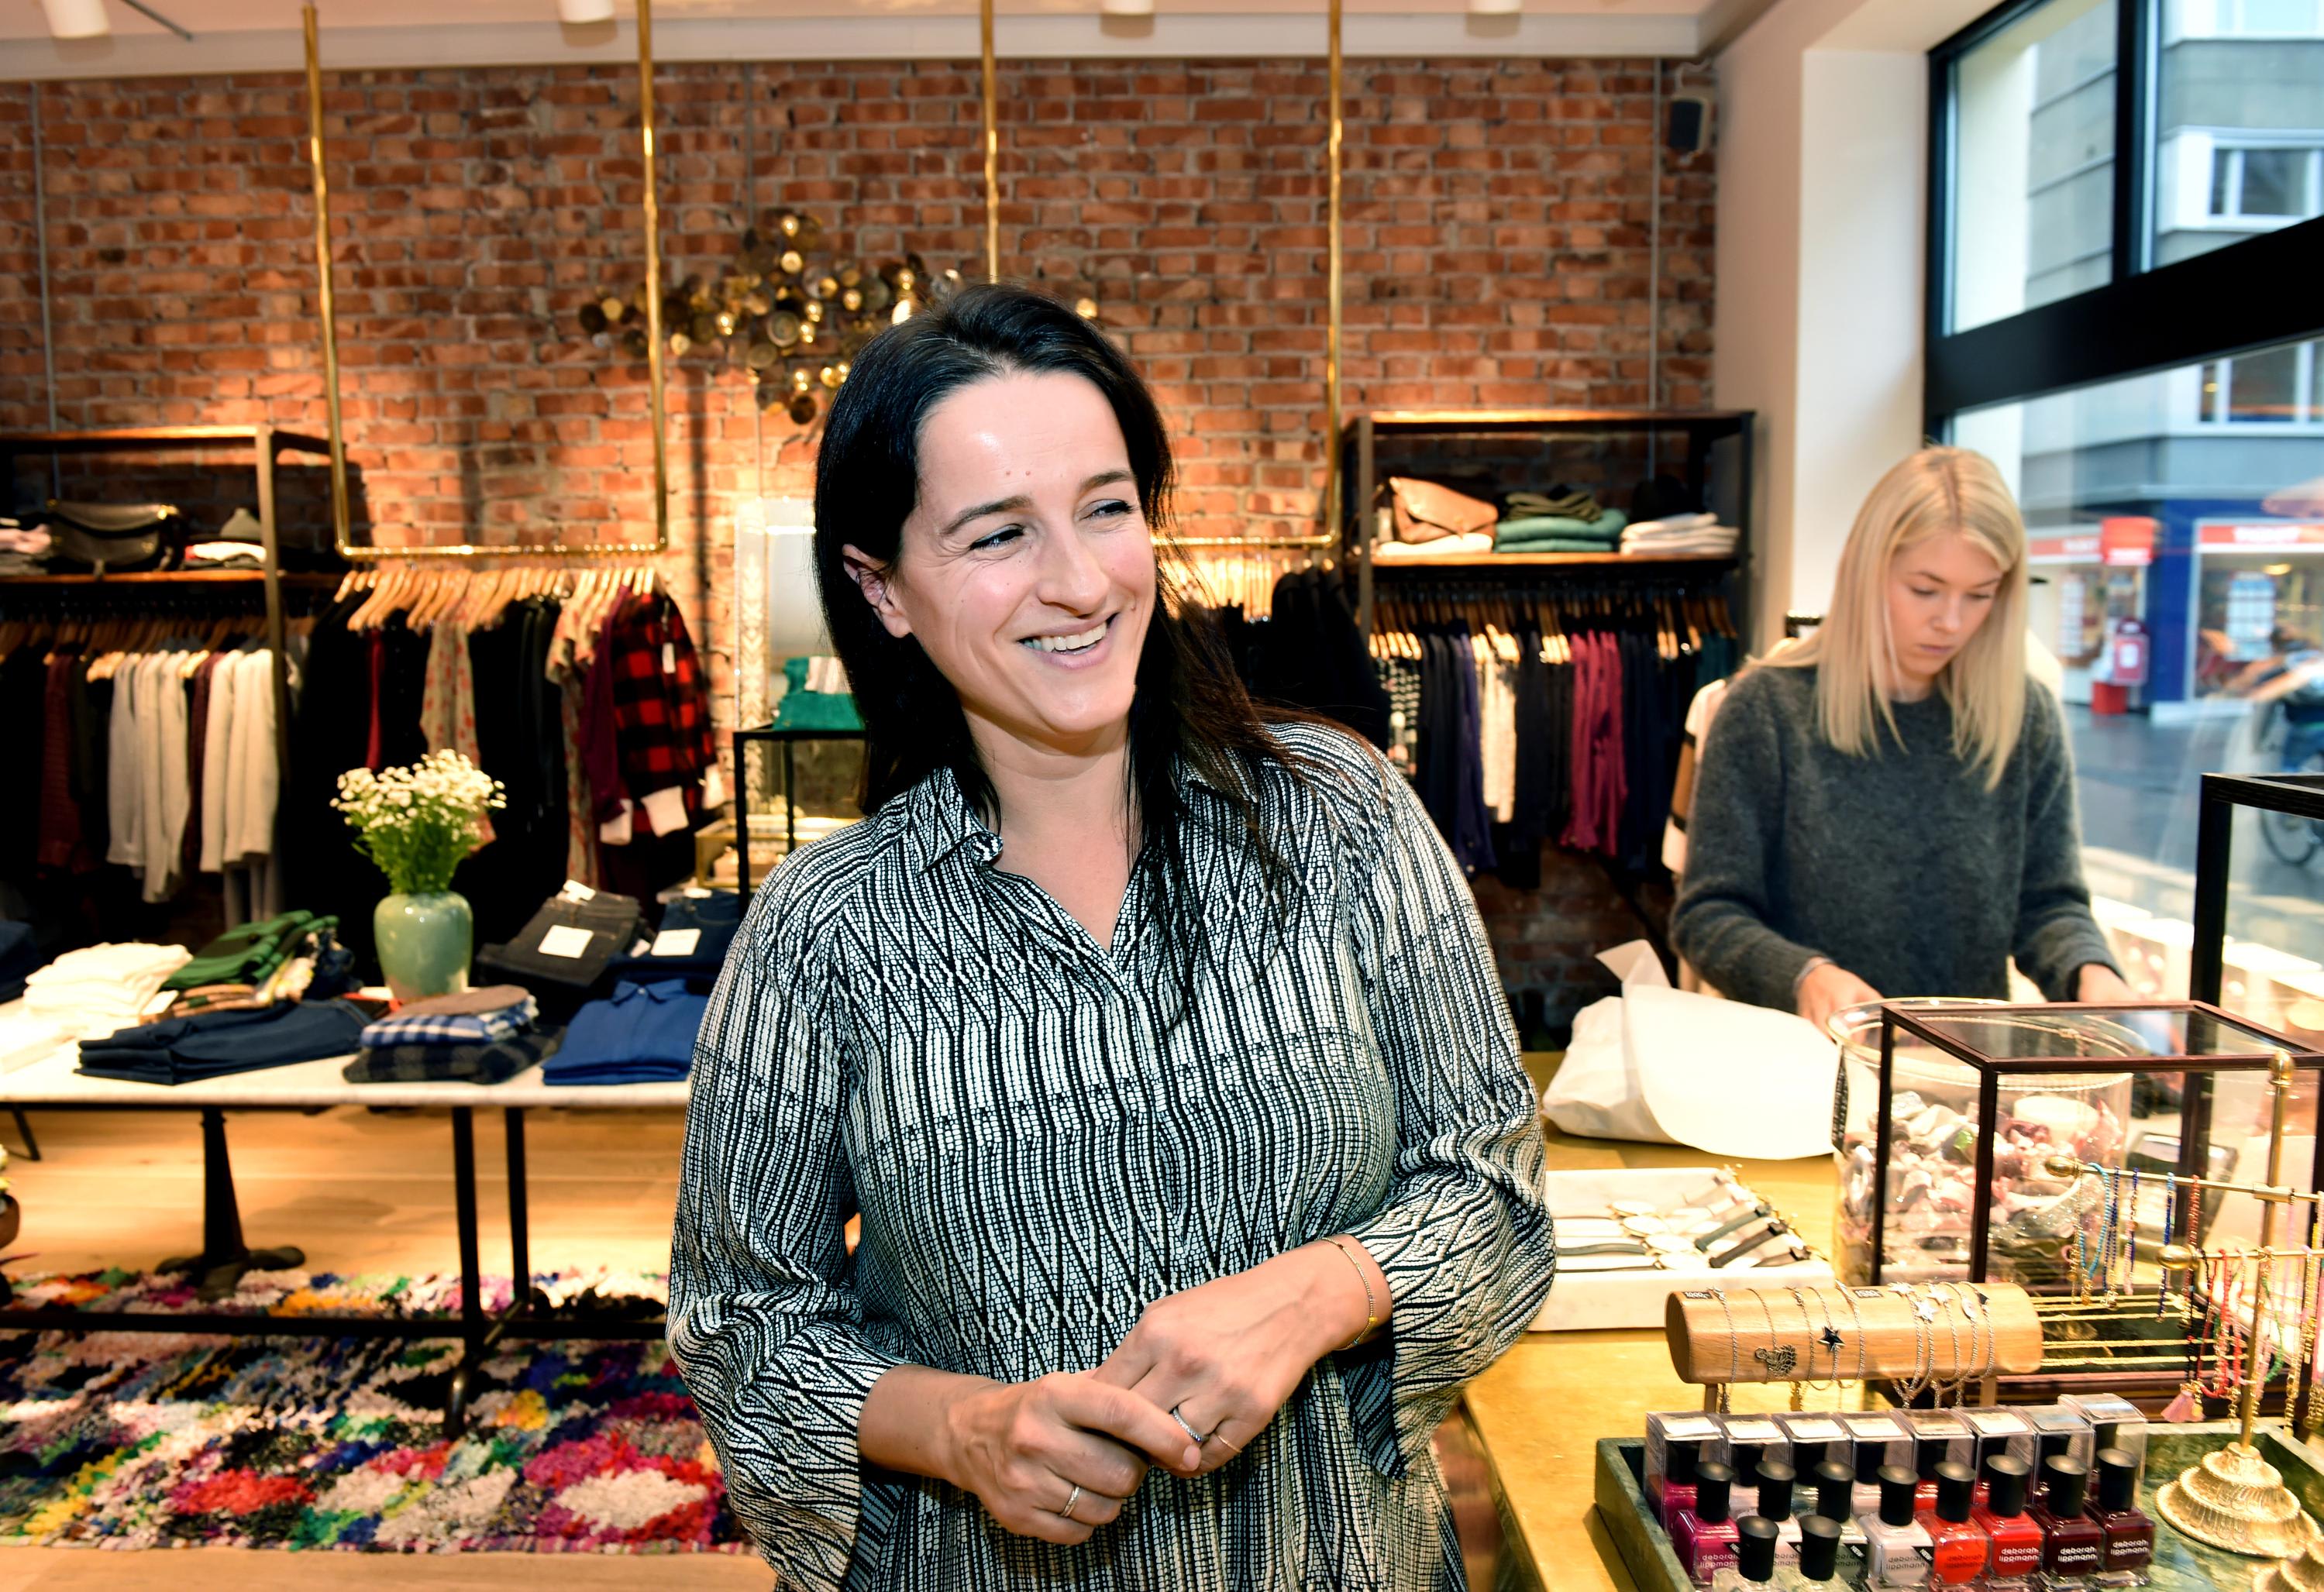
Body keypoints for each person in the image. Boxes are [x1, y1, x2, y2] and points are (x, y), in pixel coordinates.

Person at [668, 284, 1554, 1590]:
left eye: (1105, 507)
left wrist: (1322, 1291)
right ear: (881, 587)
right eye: (997, 534)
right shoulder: (825, 931)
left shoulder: (1337, 818)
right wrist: (961, 1429)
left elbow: (1496, 1191)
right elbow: (739, 1325)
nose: (1080, 583)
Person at [1672, 445, 2134, 1033]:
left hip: (1965, 1068)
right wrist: (1805, 975)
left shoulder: (2024, 717)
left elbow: (2048, 903)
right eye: (1924, 589)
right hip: (1806, 1064)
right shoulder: (1766, 710)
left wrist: (2091, 973)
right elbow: (1708, 914)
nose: (1950, 621)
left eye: (1979, 594)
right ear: (1868, 572)